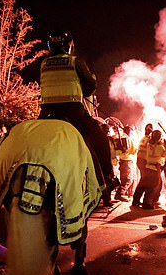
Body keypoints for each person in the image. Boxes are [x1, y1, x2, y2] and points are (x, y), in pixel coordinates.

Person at [38, 31, 119, 206]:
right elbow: (90, 86)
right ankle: (107, 180)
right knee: (100, 142)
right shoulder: (75, 62)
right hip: (73, 113)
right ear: (69, 46)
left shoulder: (42, 63)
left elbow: (29, 77)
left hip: (46, 115)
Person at [139, 130, 166, 209]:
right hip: (155, 168)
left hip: (148, 166)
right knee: (152, 187)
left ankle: (145, 201)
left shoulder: (149, 144)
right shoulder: (159, 147)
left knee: (148, 185)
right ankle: (147, 204)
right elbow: (165, 154)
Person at [132, 123, 153, 207]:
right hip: (143, 162)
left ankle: (136, 200)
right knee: (144, 181)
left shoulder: (142, 138)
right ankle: (136, 200)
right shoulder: (148, 140)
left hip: (140, 161)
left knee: (143, 181)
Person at [114, 125, 137, 202]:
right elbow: (133, 150)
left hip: (123, 160)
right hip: (127, 161)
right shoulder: (127, 139)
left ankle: (121, 194)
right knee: (128, 179)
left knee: (124, 178)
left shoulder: (121, 138)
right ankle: (119, 194)